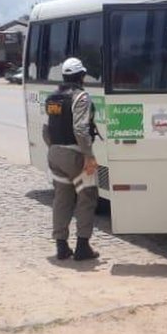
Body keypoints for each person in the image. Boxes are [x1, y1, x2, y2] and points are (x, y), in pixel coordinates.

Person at [43, 57, 100, 261]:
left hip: (54, 153)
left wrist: (54, 150)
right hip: (74, 154)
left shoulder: (52, 98)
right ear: (82, 76)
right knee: (87, 197)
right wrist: (89, 156)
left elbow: (46, 130)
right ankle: (83, 247)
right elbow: (80, 129)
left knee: (62, 199)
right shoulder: (81, 97)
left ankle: (61, 246)